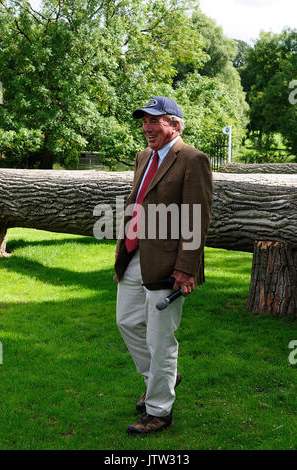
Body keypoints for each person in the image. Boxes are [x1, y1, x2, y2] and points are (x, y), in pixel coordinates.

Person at [114, 96, 213, 434]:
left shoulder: (192, 160)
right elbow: (136, 202)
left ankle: (158, 410)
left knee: (160, 340)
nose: (146, 128)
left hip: (170, 264)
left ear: (175, 125)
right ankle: (162, 377)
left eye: (154, 121)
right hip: (134, 254)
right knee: (126, 321)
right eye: (143, 121)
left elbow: (196, 219)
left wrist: (186, 268)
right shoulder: (143, 156)